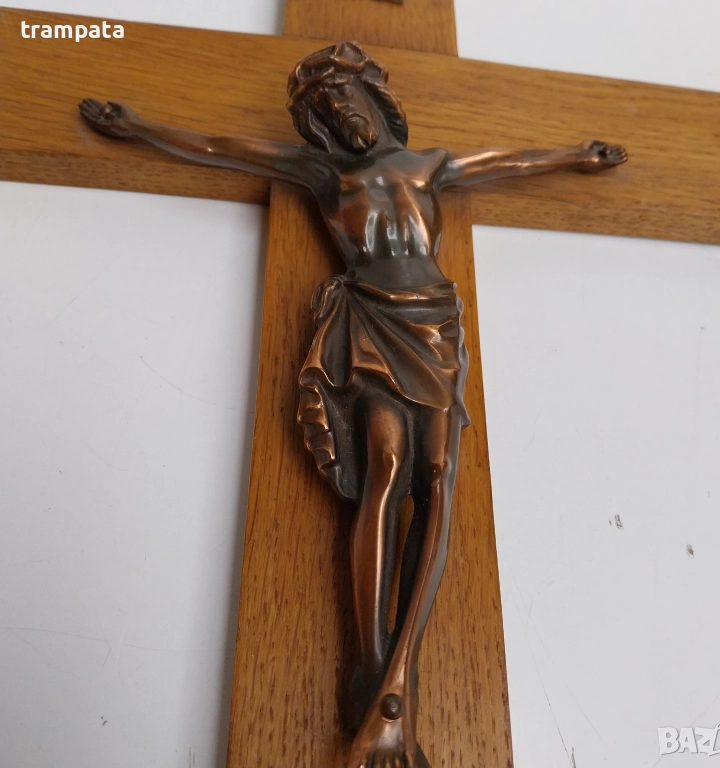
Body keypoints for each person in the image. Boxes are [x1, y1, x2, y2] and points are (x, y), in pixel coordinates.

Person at [79, 41, 626, 768]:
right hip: (370, 320)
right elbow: (219, 147)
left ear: (375, 101)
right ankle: (372, 665)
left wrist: (577, 155)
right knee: (386, 470)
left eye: (348, 101)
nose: (343, 117)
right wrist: (139, 127)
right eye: (328, 112)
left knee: (439, 482)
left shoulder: (429, 164)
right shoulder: (323, 173)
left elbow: (510, 162)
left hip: (433, 324)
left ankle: (399, 675)